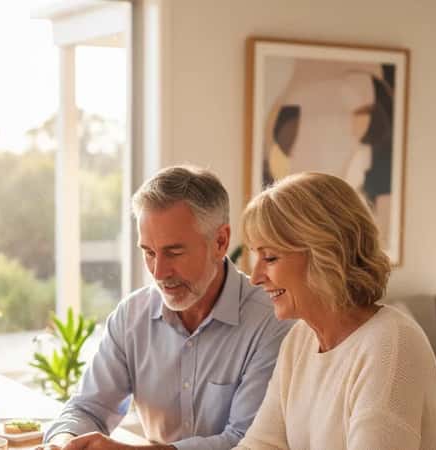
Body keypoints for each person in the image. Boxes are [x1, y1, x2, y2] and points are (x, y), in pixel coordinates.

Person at [37, 166, 294, 450]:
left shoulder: (272, 321)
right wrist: (62, 443)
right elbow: (87, 409)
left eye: (174, 252)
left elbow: (246, 441)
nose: (158, 272)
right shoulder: (131, 316)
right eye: (148, 252)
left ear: (220, 242)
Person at [234, 172, 436, 450]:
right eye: (255, 256)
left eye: (270, 257)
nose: (255, 277)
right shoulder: (300, 340)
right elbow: (260, 444)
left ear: (325, 254)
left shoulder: (390, 345)